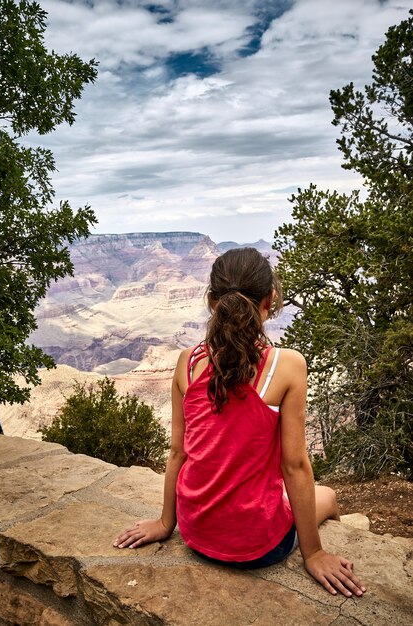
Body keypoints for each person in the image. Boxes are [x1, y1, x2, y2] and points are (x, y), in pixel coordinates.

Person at [114, 248, 366, 598]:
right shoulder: (288, 365)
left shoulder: (187, 362)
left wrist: (165, 523)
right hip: (259, 547)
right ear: (270, 301)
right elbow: (294, 466)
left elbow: (177, 452)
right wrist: (314, 554)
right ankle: (322, 542)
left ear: (211, 301)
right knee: (329, 495)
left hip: (195, 533)